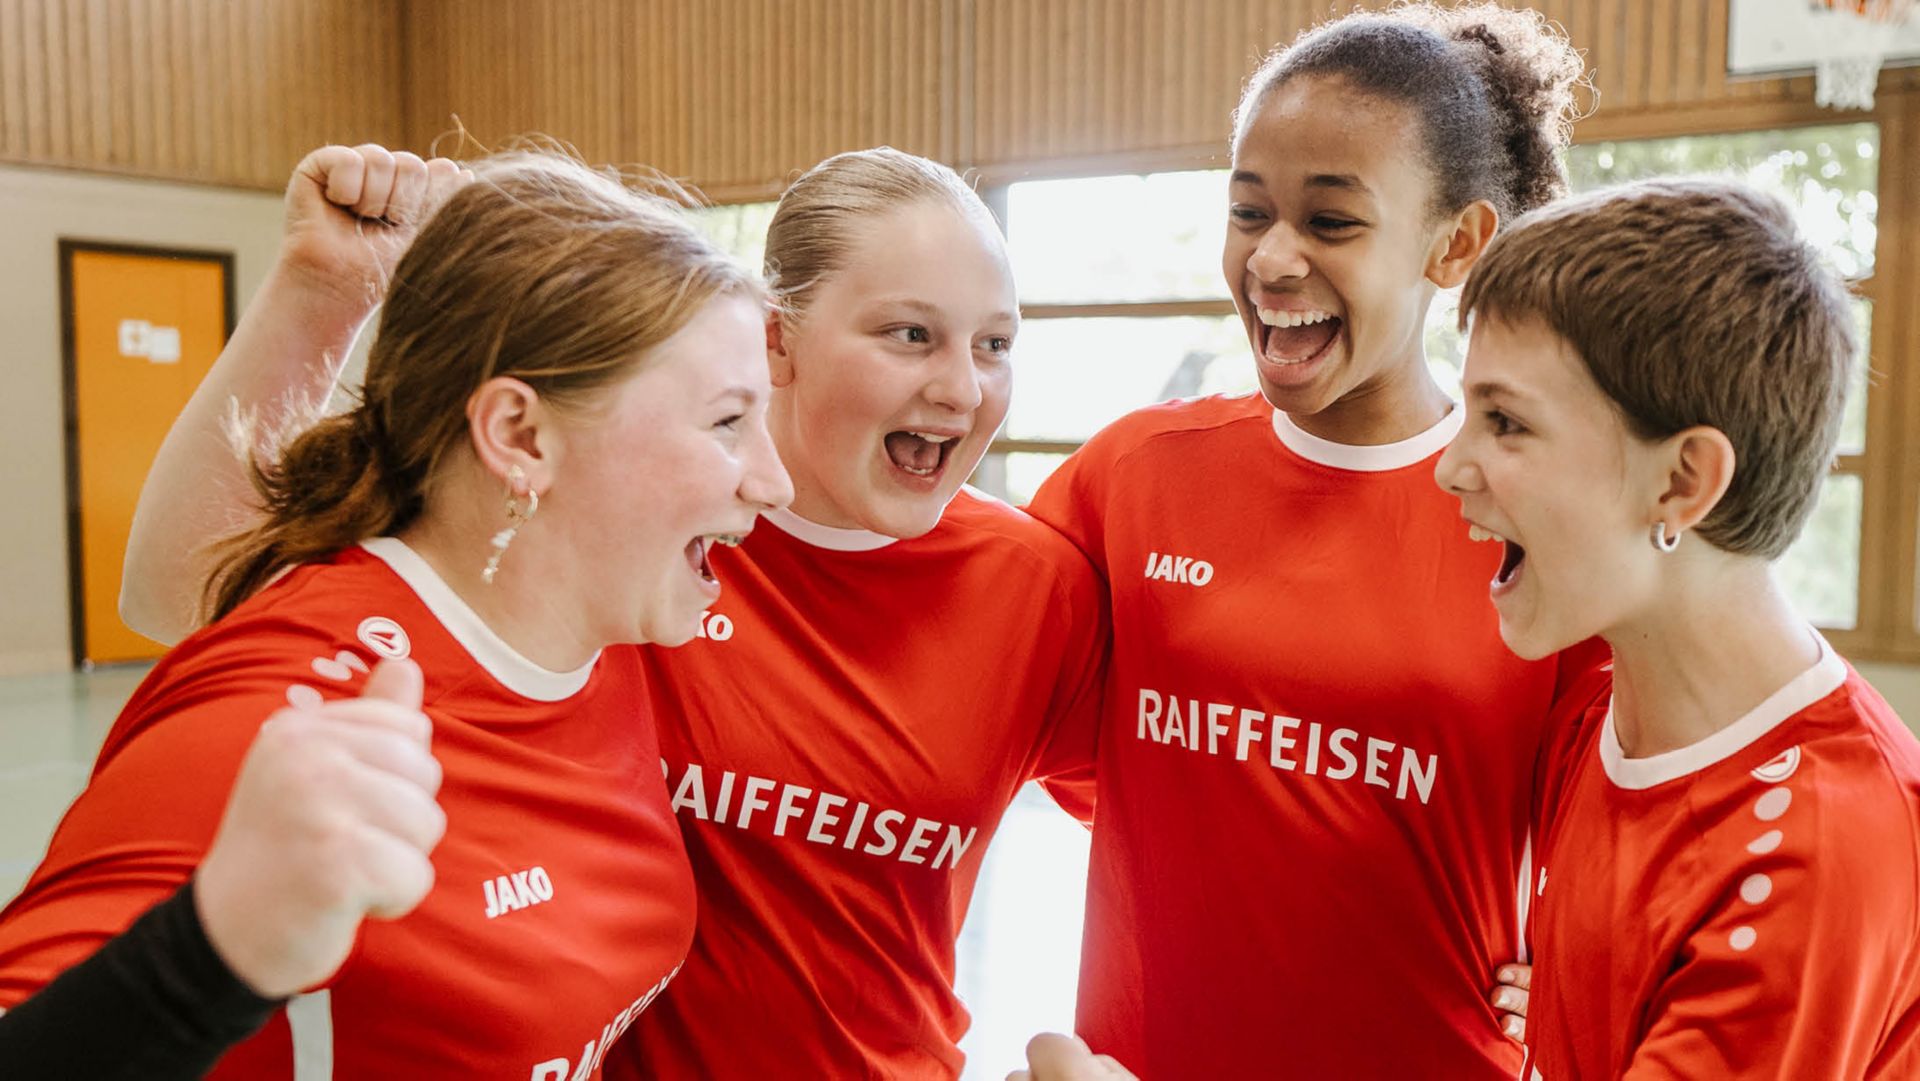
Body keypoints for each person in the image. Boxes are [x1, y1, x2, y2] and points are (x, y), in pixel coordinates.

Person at [119, 146, 1109, 1078]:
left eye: (995, 344)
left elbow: (1193, 820)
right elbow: (184, 594)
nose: (962, 387)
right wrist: (323, 294)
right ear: (778, 338)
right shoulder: (630, 532)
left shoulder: (1037, 589)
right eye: (911, 334)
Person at [0, 144, 791, 1077]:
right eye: (728, 421)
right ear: (520, 435)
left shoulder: (603, 635)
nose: (772, 481)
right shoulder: (299, 714)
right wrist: (213, 948)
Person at [1022, 5, 1589, 1076]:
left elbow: (1619, 809)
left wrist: (1578, 936)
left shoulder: (1533, 516)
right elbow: (1013, 701)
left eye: (1332, 223)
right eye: (1249, 212)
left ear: (1455, 243)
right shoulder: (1133, 473)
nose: (1273, 259)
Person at [1438, 178, 1920, 1077]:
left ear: (1683, 482)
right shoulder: (1599, 713)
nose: (1451, 466)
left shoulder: (1810, 854)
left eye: (1505, 422)